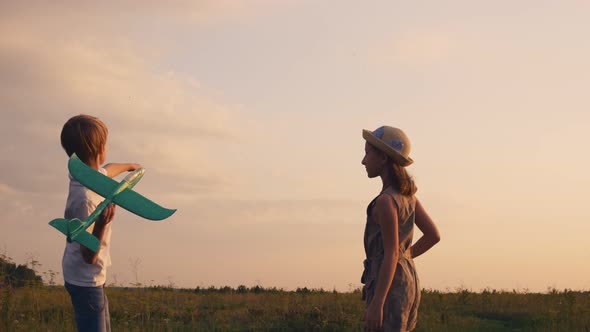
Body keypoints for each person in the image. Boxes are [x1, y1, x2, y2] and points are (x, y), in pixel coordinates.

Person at [59, 114, 141, 332]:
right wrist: (102, 224)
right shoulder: (85, 198)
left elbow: (110, 169)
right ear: (100, 150)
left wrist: (130, 166)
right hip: (85, 279)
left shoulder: (88, 177)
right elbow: (89, 256)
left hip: (89, 276)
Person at [360, 126, 441, 331]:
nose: (363, 161)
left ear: (384, 158)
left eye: (368, 153)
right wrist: (404, 257)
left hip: (388, 287)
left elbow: (391, 252)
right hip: (407, 281)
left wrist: (377, 303)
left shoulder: (386, 202)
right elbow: (433, 236)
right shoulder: (408, 198)